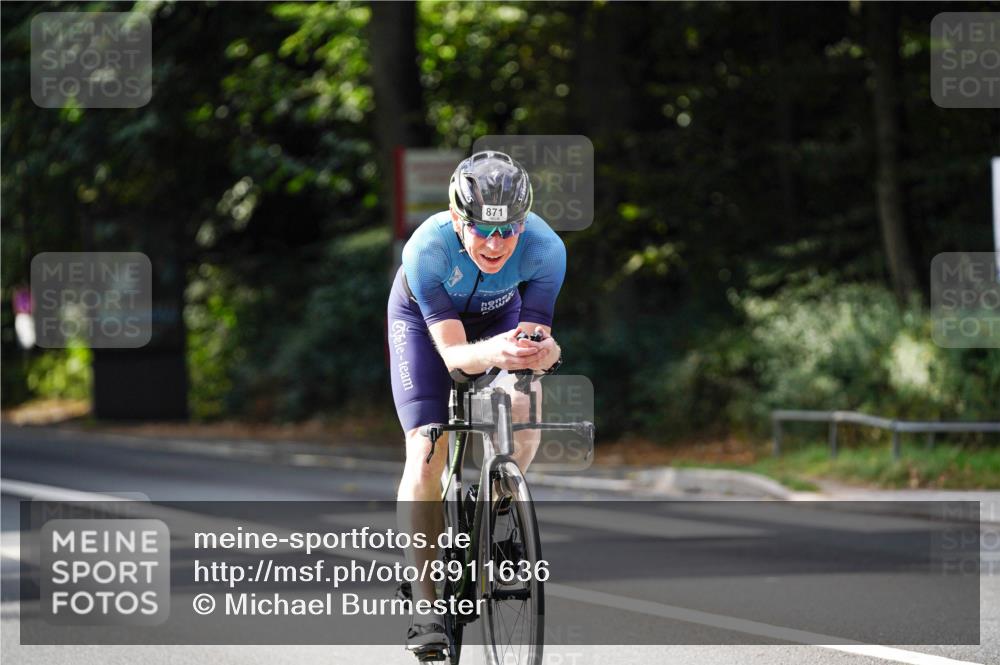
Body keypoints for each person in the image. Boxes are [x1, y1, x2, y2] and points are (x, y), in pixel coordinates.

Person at [387, 150, 565, 653]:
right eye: (483, 229)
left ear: (523, 222)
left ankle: (499, 504)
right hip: (427, 331)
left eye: (509, 230)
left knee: (525, 397)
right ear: (456, 218)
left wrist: (545, 354)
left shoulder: (546, 250)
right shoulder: (428, 250)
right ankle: (425, 608)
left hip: (499, 319)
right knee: (426, 447)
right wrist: (495, 351)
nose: (495, 243)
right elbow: (454, 357)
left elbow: (535, 346)